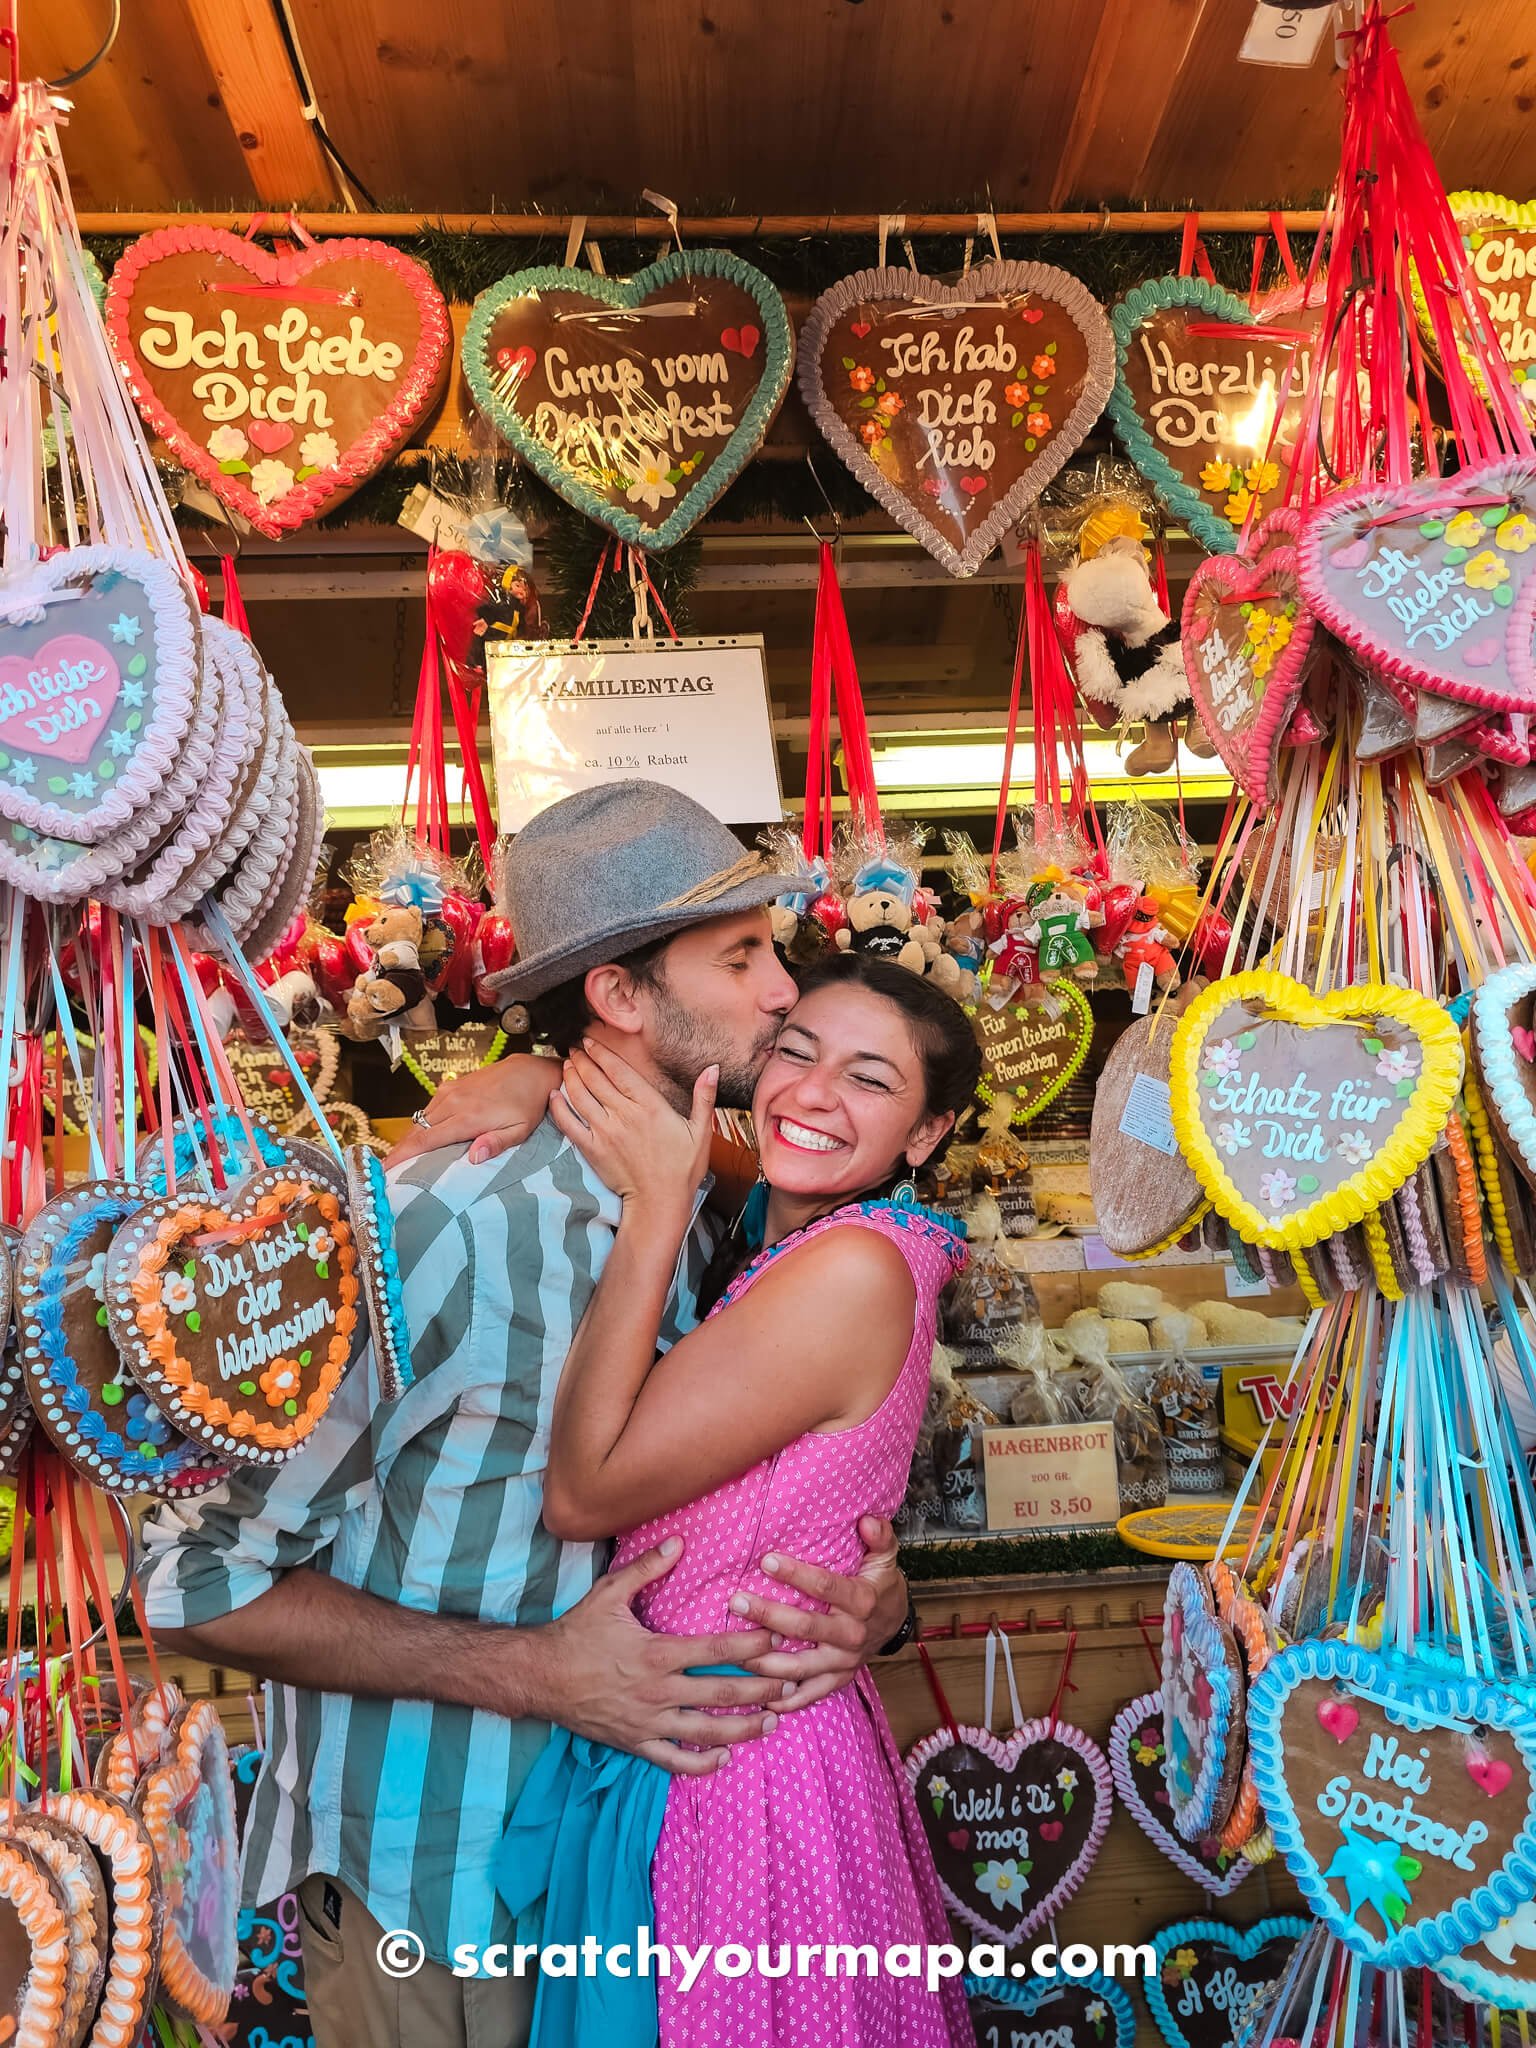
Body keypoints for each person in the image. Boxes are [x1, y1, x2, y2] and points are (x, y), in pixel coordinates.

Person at [138, 784, 913, 2048]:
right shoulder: (435, 1229)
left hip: (628, 1862)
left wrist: (878, 1595)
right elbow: (189, 1578)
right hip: (439, 1894)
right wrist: (541, 1673)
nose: (785, 988)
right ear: (617, 995)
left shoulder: (717, 1208)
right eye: (742, 955)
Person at [501, 949, 982, 2048]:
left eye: (869, 1079)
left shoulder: (853, 1265)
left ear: (925, 1134)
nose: (813, 1092)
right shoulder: (786, 1218)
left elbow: (582, 1492)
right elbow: (687, 1123)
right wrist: (537, 1079)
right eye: (794, 1052)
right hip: (719, 1735)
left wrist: (654, 1208)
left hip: (740, 1771)